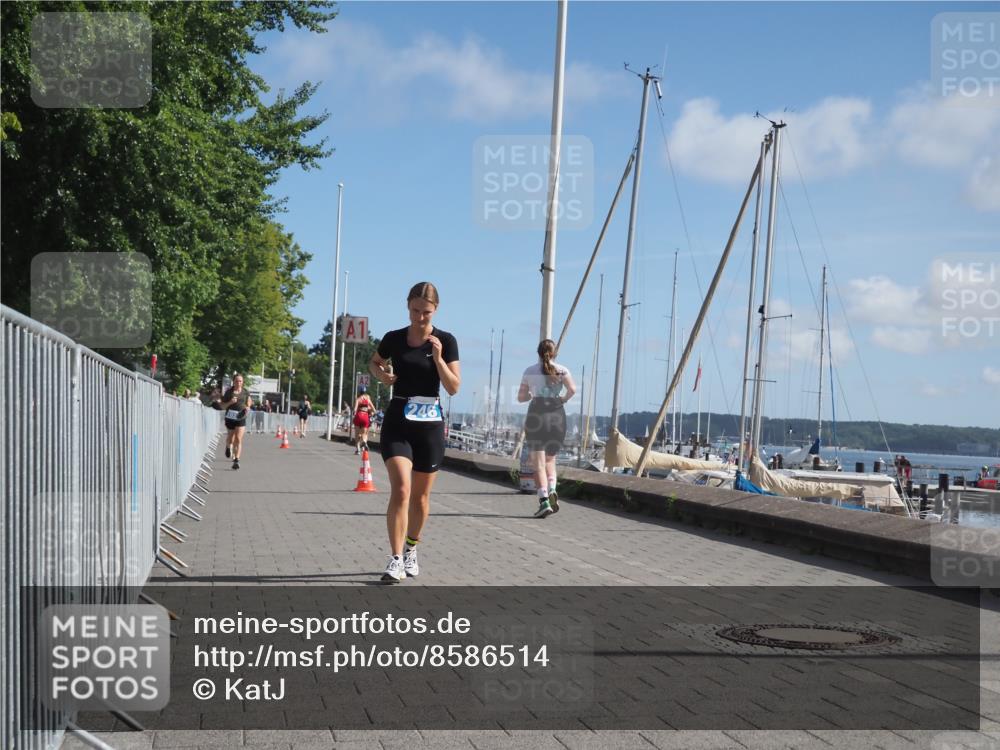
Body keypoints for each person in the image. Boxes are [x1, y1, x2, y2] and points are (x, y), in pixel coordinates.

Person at [369, 282, 460, 583]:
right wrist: (383, 375)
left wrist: (437, 359)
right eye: (415, 310)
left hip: (430, 425)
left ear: (436, 311)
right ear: (407, 305)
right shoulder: (394, 338)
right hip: (398, 421)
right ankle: (395, 559)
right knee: (402, 490)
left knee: (420, 499)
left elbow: (453, 387)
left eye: (426, 312)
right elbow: (375, 362)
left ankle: (410, 548)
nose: (420, 317)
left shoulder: (445, 341)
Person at [517, 339, 576, 518]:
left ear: (538, 352)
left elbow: (521, 398)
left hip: (537, 415)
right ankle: (552, 488)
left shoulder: (529, 371)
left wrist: (531, 393)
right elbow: (572, 389)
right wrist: (562, 400)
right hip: (557, 417)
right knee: (551, 460)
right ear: (555, 352)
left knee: (539, 464)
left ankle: (544, 501)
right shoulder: (563, 370)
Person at [213, 374, 252, 470]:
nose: (239, 383)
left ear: (242, 382)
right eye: (237, 381)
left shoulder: (245, 392)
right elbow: (222, 406)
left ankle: (236, 460)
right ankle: (227, 446)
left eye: (240, 381)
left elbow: (249, 401)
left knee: (238, 439)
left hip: (241, 417)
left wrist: (248, 407)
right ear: (233, 382)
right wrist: (230, 402)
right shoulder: (229, 392)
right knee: (230, 438)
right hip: (230, 417)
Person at [352, 386, 376, 454]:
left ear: (359, 392)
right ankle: (364, 442)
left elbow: (354, 410)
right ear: (365, 391)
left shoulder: (358, 399)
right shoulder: (368, 399)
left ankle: (358, 450)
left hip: (359, 415)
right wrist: (371, 414)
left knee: (357, 434)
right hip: (365, 416)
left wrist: (354, 412)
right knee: (364, 433)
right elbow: (374, 410)